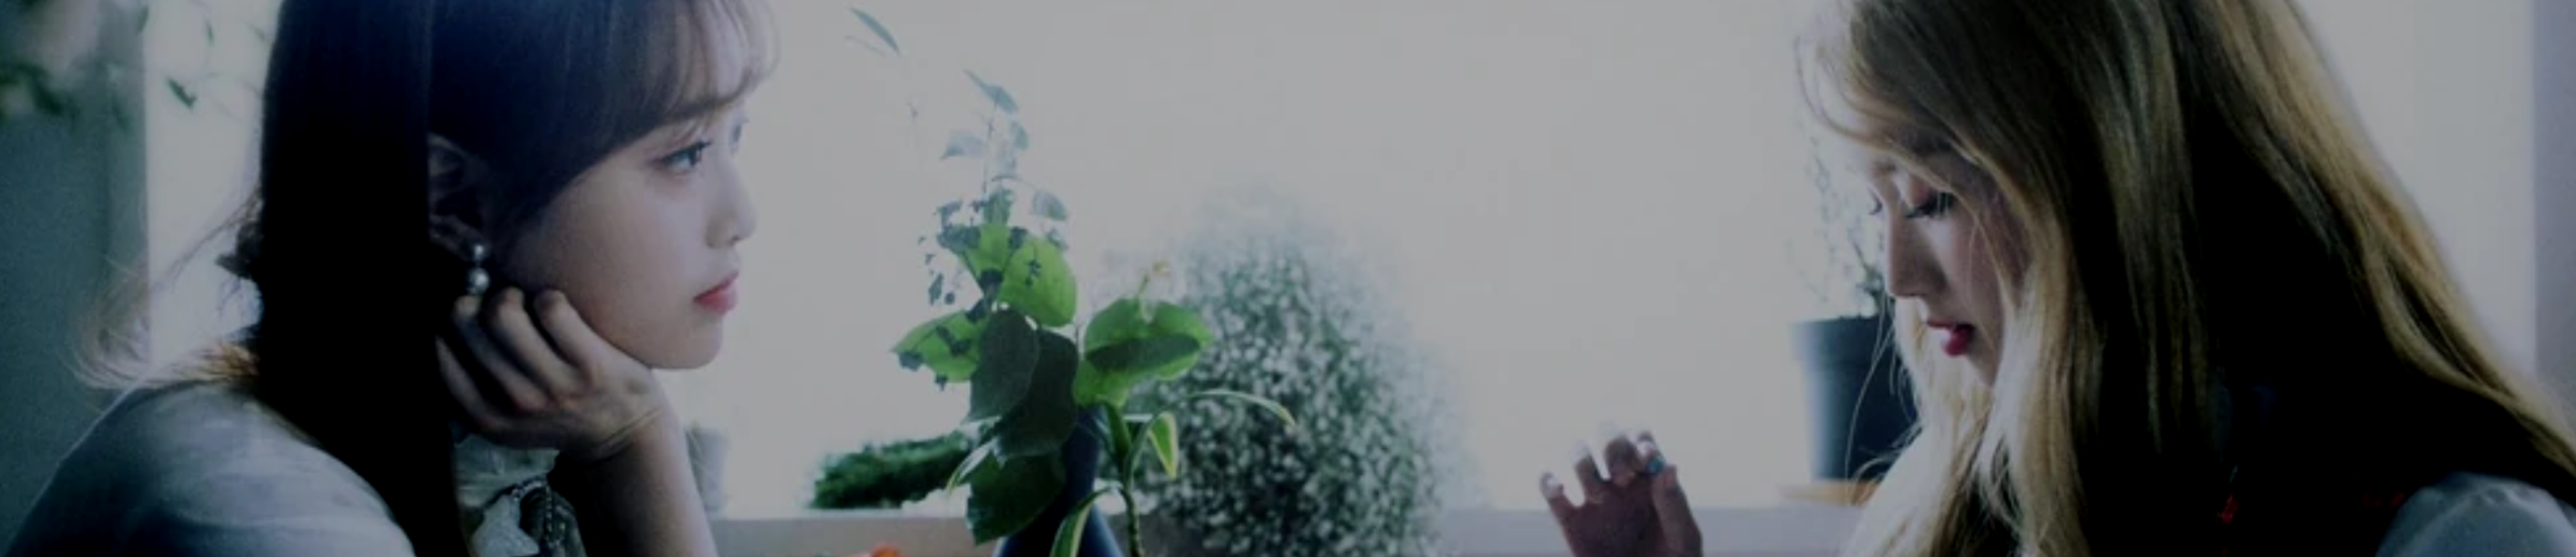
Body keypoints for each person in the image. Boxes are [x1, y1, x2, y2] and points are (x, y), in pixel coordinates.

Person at [1544, 0, 2576, 555]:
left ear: (2121, 179)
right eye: (1876, 205)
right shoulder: (1945, 511)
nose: (1898, 275)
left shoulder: (2460, 539)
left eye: (1935, 200)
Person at [8, 0, 771, 555]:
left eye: (736, 136)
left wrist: (639, 441)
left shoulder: (529, 443)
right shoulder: (250, 497)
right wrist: (639, 453)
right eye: (684, 154)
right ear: (452, 196)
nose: (743, 214)